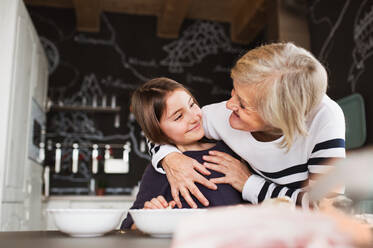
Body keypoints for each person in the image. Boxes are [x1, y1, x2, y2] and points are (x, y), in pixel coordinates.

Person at [148, 42, 346, 210]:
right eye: (233, 91)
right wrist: (170, 158)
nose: (229, 105)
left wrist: (248, 183)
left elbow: (326, 206)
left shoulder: (325, 119)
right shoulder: (222, 116)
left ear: (279, 118)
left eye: (242, 104)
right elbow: (155, 128)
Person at [121, 77, 247, 229]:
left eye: (192, 104)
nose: (194, 117)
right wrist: (150, 216)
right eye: (179, 116)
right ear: (158, 130)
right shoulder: (162, 169)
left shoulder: (232, 149)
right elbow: (128, 226)